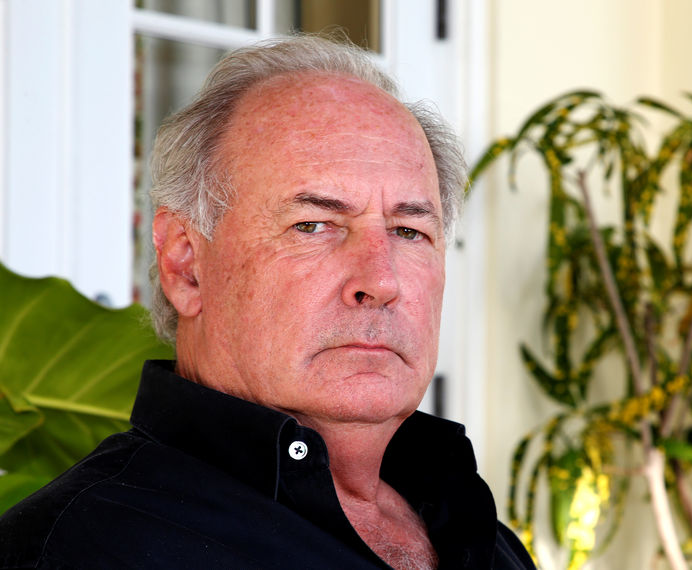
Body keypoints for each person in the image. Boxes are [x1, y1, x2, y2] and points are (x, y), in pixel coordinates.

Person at [0, 35, 535, 569]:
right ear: (186, 265)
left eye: (408, 230)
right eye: (314, 225)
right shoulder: (82, 549)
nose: (380, 280)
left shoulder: (477, 530)